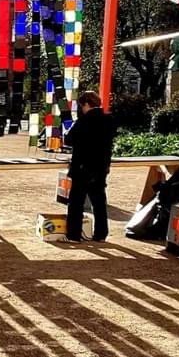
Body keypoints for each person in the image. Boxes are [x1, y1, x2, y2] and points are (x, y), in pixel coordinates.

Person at [62, 90, 118, 244]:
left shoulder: (83, 121)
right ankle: (101, 234)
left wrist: (68, 131)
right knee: (99, 202)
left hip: (82, 167)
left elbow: (69, 140)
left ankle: (73, 235)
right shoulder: (109, 120)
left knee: (76, 202)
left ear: (86, 104)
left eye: (82, 106)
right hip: (101, 166)